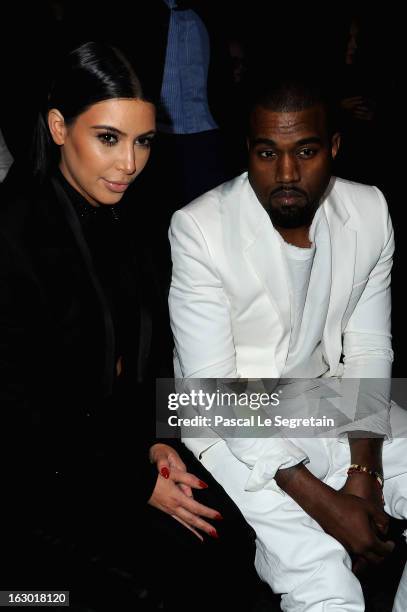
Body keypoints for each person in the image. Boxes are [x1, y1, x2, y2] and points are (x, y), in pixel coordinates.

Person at [0, 41, 259, 611]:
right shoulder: (14, 231)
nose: (130, 164)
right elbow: (22, 415)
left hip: (120, 454)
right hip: (38, 481)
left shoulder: (129, 216)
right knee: (152, 587)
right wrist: (136, 483)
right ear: (59, 127)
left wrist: (158, 442)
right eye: (109, 138)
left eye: (143, 141)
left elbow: (151, 356)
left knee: (236, 548)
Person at [168, 75, 407, 611]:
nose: (287, 173)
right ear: (247, 152)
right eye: (267, 153)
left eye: (306, 150)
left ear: (334, 147)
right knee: (325, 583)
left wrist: (363, 473)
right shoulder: (198, 227)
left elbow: (368, 348)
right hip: (223, 411)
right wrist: (326, 504)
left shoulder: (368, 210)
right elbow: (213, 389)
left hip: (322, 394)